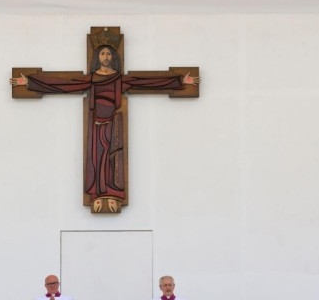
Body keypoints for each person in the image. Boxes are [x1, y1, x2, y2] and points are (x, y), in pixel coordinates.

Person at [11, 44, 199, 213]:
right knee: (97, 157)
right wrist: (29, 83)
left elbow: (146, 81)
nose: (106, 57)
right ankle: (97, 195)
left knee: (114, 158)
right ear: (97, 57)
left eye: (109, 53)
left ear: (113, 57)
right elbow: (65, 84)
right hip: (95, 124)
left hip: (114, 123)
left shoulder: (119, 79)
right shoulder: (92, 79)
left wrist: (181, 81)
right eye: (102, 53)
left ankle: (113, 193)